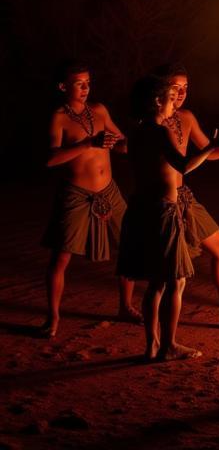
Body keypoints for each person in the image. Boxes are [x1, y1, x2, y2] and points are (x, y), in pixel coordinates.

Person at [118, 76, 219, 361]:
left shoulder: (137, 131)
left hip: (141, 207)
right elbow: (184, 166)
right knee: (174, 281)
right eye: (170, 96)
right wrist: (212, 146)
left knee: (156, 283)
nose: (174, 101)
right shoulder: (158, 132)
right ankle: (168, 346)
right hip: (163, 210)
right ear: (157, 101)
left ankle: (153, 344)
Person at [154, 64, 219, 327]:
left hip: (184, 197)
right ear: (162, 90)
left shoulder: (187, 118)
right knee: (162, 270)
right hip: (162, 200)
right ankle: (147, 322)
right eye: (175, 88)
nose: (181, 93)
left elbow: (206, 151)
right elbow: (183, 162)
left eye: (185, 88)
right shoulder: (153, 123)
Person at [41, 60, 138, 337]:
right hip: (76, 194)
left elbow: (121, 143)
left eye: (88, 82)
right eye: (78, 83)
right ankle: (53, 317)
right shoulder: (58, 117)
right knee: (60, 258)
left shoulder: (99, 110)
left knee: (128, 248)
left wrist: (130, 141)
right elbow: (51, 159)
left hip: (109, 191)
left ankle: (125, 306)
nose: (85, 88)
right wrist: (87, 144)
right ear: (63, 86)